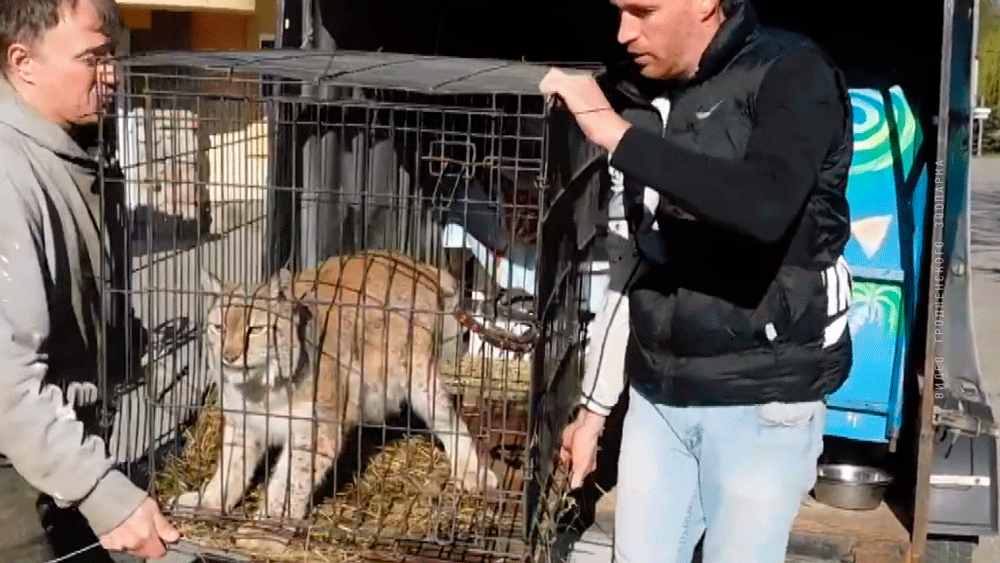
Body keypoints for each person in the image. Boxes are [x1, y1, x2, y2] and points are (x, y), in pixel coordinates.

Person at [541, 0, 855, 561]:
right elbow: (631, 259)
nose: (622, 32)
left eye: (642, 11)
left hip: (763, 395)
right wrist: (593, 411)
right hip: (658, 393)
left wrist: (617, 136)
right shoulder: (636, 91)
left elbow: (766, 206)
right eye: (617, 11)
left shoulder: (793, 73)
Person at [0, 0, 180, 560]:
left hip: (56, 457)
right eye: (93, 58)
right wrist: (105, 493)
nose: (113, 74)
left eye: (113, 57)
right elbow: (5, 384)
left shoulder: (72, 149)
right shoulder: (8, 177)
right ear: (22, 61)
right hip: (15, 474)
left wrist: (122, 340)